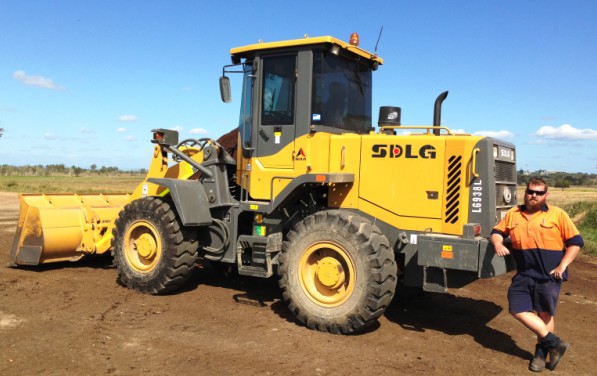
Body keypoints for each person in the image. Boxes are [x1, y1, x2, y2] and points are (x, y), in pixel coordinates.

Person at [491, 177, 584, 372]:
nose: (534, 195)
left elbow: (576, 241)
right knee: (516, 309)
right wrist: (498, 243)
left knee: (544, 314)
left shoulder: (557, 214)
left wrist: (562, 266)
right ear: (525, 192)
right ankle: (555, 343)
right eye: (530, 191)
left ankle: (541, 354)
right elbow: (497, 231)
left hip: (548, 276)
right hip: (524, 274)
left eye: (539, 192)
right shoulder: (514, 213)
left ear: (546, 195)